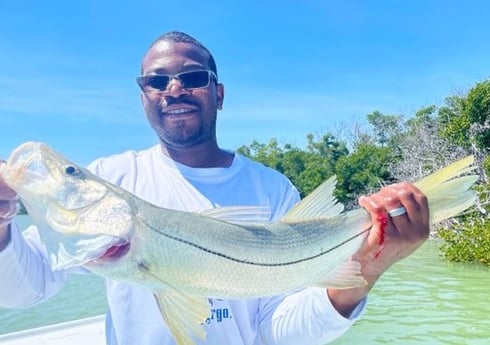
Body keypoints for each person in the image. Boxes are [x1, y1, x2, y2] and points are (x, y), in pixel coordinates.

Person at [0, 31, 429, 345]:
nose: (174, 89)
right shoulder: (114, 175)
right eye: (156, 81)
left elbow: (279, 330)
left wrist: (367, 269)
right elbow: (23, 289)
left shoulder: (271, 189)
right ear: (143, 96)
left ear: (218, 94)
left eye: (192, 77)